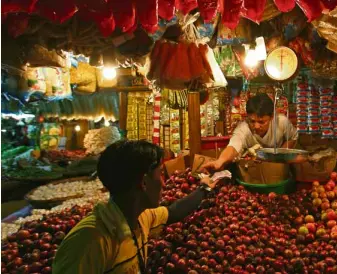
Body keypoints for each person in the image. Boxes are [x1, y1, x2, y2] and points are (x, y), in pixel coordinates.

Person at [53, 140, 217, 274]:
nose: (163, 182)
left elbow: (173, 212)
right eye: (160, 173)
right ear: (144, 183)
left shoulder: (139, 218)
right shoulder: (88, 241)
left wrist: (204, 188)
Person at [202, 93, 299, 172]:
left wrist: (278, 156)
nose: (256, 126)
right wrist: (220, 161)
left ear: (272, 117)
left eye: (261, 122)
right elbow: (233, 147)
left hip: (279, 171)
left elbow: (292, 137)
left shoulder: (281, 122)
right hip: (253, 172)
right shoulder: (243, 129)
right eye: (252, 121)